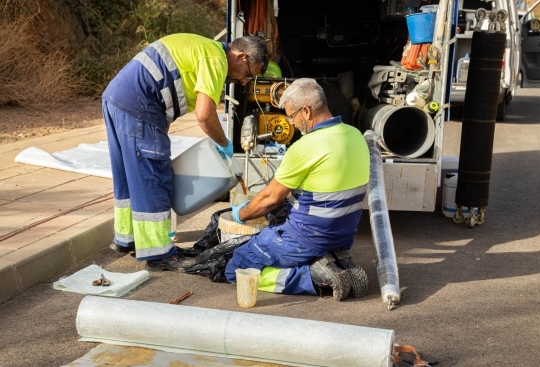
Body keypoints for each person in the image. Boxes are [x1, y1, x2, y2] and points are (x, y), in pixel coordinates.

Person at [185, 78, 370, 300]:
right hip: (343, 235)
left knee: (237, 269)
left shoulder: (305, 147)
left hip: (306, 238)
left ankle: (314, 276)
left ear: (307, 112)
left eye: (292, 116)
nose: (291, 122)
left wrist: (240, 215)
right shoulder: (356, 136)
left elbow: (270, 200)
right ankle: (334, 259)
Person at [101, 34, 269, 271]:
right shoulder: (217, 59)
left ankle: (127, 239)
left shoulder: (205, 49)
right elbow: (204, 115)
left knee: (130, 175)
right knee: (154, 177)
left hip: (118, 99)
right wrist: (224, 144)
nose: (244, 82)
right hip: (140, 105)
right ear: (242, 56)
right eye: (249, 74)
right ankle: (158, 252)